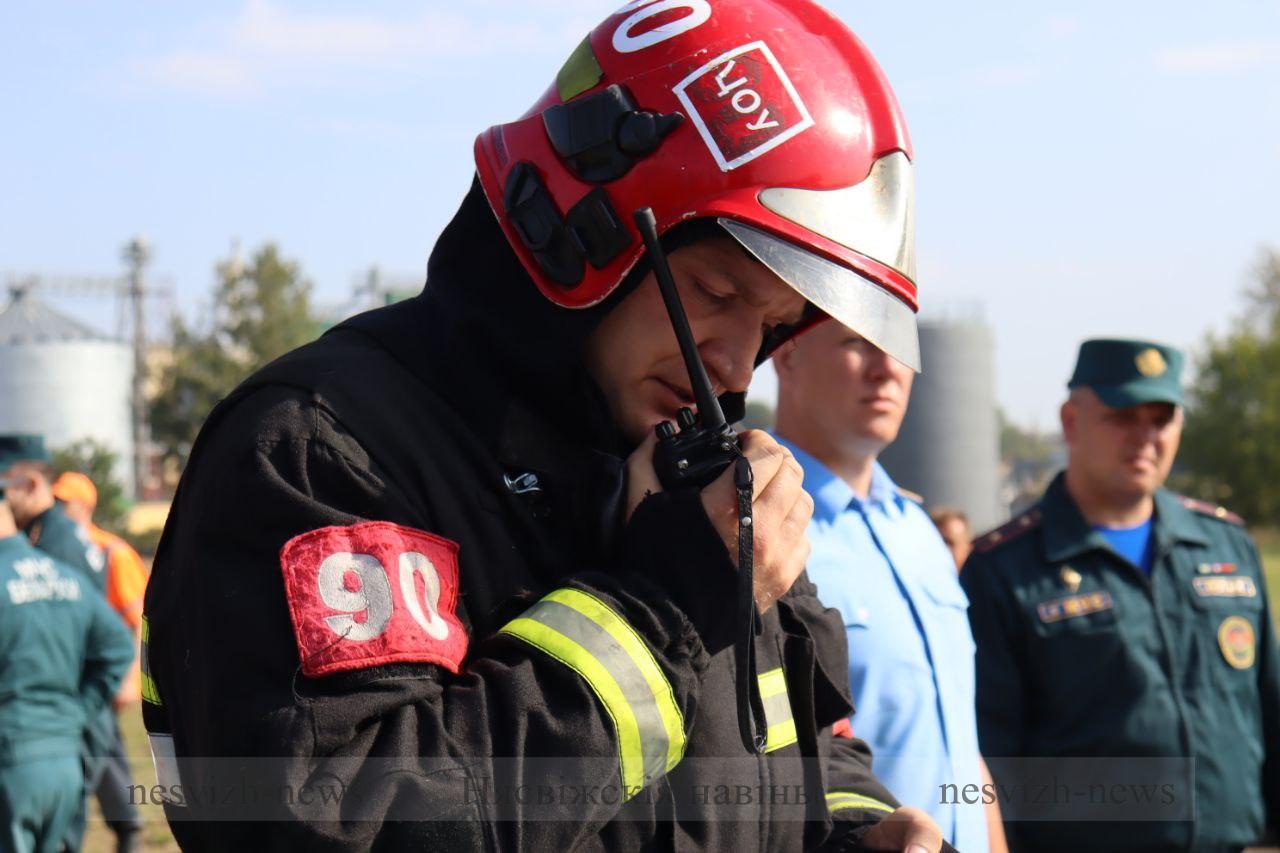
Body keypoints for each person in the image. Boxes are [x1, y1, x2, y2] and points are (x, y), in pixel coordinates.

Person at [140, 1, 952, 850]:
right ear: (580, 228)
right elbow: (347, 820)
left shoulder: (699, 490)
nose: (738, 366)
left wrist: (861, 831)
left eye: (774, 324)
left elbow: (796, 759)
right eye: (716, 292)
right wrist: (662, 611)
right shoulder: (323, 452)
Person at [962, 338, 1280, 851]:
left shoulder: (1226, 544)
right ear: (1071, 421)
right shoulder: (1005, 567)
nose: (1145, 437)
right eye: (1123, 416)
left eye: (1161, 419)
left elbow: (1267, 708)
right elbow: (989, 754)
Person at [773, 321, 1005, 852]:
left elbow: (960, 743)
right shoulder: (764, 529)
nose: (887, 370)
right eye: (858, 341)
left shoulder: (919, 531)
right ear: (786, 353)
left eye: (899, 347)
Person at [0, 438, 134, 853]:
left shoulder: (54, 545)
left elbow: (115, 635)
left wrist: (75, 710)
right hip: (60, 727)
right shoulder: (58, 542)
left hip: (40, 731)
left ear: (29, 484)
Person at [53, 472, 147, 853]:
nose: (58, 508)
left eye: (65, 502)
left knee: (98, 744)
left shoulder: (111, 552)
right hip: (74, 671)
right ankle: (127, 826)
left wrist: (128, 678)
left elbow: (137, 620)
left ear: (84, 506)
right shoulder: (57, 547)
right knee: (104, 746)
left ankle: (126, 827)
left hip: (105, 671)